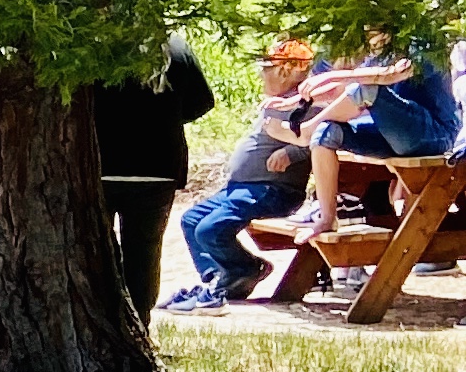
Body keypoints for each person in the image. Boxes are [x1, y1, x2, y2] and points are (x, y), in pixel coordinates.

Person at [162, 43, 315, 307]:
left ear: (285, 71)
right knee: (191, 220)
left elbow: (322, 138)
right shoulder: (278, 101)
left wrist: (292, 153)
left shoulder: (305, 103)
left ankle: (246, 268)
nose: (262, 75)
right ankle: (218, 279)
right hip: (241, 188)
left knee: (210, 229)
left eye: (267, 69)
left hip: (271, 189)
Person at [291, 21, 459, 237]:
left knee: (366, 89)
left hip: (435, 135)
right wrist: (294, 100)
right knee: (326, 132)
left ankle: (307, 131)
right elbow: (345, 89)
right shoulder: (380, 51)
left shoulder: (423, 43)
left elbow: (389, 75)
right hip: (394, 135)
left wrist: (330, 76)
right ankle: (326, 218)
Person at [90, 43, 216, 311]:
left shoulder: (93, 42)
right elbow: (202, 101)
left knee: (96, 251)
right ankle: (140, 326)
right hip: (158, 166)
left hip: (101, 164)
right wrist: (163, 118)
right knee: (145, 254)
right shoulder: (176, 46)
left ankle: (103, 320)